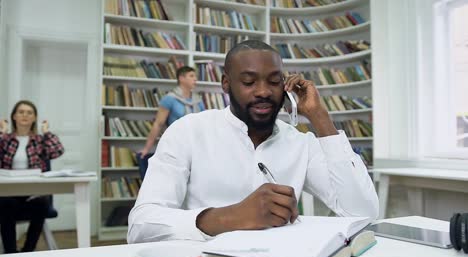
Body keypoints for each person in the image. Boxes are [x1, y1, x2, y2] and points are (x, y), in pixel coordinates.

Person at [127, 40, 378, 243]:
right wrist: (231, 217)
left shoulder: (301, 142)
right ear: (226, 83)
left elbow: (363, 212)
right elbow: (141, 226)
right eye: (248, 81)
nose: (263, 92)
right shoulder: (188, 131)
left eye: (274, 81)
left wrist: (320, 117)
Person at [0, 100, 64, 253]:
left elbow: (57, 151)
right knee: (5, 204)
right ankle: (11, 253)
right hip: (8, 196)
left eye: (29, 113)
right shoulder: (5, 140)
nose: (25, 115)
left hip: (32, 195)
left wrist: (47, 132)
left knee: (42, 203)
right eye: (21, 112)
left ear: (34, 118)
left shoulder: (39, 140)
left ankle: (28, 251)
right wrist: (2, 133)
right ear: (14, 116)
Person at [139, 66, 205, 158]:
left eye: (195, 76)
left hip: (195, 146)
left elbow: (203, 125)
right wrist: (147, 149)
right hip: (176, 146)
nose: (195, 79)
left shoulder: (198, 100)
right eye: (191, 76)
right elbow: (158, 124)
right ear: (181, 78)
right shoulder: (170, 98)